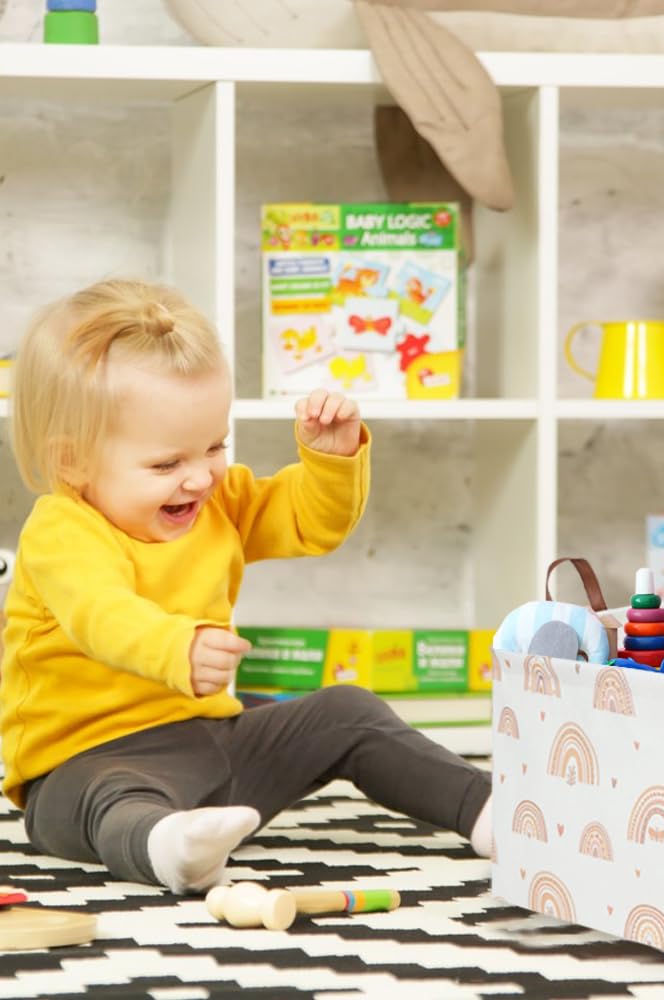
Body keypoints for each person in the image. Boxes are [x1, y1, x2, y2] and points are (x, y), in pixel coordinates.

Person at [0, 278, 492, 893]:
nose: (200, 477)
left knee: (348, 712)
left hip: (212, 734)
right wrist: (177, 648)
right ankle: (166, 845)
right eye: (165, 464)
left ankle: (492, 812)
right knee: (111, 799)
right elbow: (101, 612)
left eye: (214, 446)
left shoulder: (218, 499)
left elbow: (308, 524)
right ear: (71, 461)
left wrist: (329, 462)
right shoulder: (62, 528)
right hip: (86, 762)